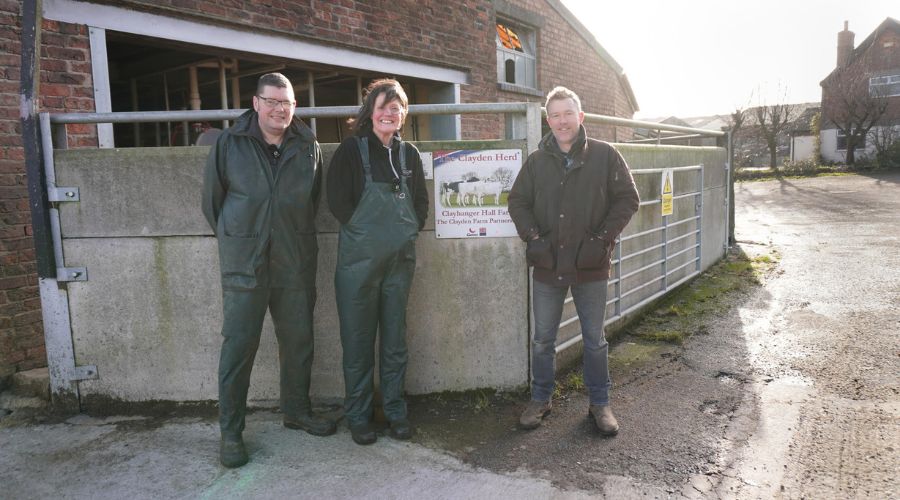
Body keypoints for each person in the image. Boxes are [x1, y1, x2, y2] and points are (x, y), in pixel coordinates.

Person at [202, 72, 335, 468]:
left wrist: (288, 236)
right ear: (256, 103)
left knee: (298, 340)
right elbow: (213, 204)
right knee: (239, 345)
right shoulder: (230, 143)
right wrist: (240, 242)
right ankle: (231, 431)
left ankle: (296, 411)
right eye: (273, 102)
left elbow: (311, 201)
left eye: (288, 103)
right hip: (246, 263)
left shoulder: (308, 145)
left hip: (294, 260)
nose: (281, 110)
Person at [508, 86, 640, 436]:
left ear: (580, 117)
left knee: (594, 339)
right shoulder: (537, 162)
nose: (562, 121)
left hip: (590, 265)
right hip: (548, 265)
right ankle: (541, 398)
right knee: (543, 339)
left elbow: (628, 199)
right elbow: (517, 201)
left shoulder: (605, 155)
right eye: (555, 115)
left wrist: (602, 239)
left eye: (568, 113)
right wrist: (533, 238)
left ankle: (600, 404)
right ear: (547, 120)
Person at [327, 79, 428, 445]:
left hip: (399, 265)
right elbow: (337, 201)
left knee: (395, 342)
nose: (390, 113)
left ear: (403, 115)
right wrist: (364, 230)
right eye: (383, 106)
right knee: (357, 341)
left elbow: (421, 204)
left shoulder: (409, 155)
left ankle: (395, 411)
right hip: (358, 266)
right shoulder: (351, 151)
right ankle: (359, 415)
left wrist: (408, 229)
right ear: (370, 111)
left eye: (396, 107)